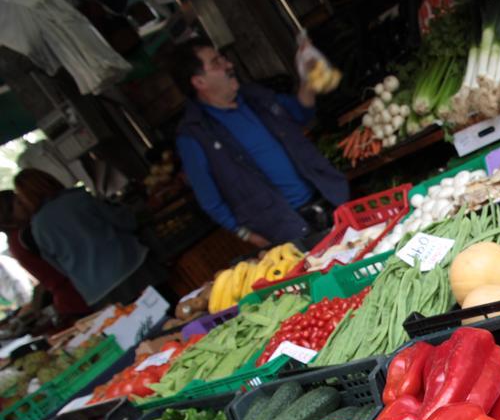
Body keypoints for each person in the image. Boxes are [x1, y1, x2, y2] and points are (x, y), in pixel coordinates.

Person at [170, 39, 350, 247]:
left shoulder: (255, 96)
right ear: (199, 82)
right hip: (288, 229)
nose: (229, 65)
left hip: (328, 197)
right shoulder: (195, 135)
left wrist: (309, 80)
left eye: (223, 58)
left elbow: (301, 112)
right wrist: (247, 235)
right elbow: (210, 201)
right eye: (216, 63)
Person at [13, 169, 160, 308]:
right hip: (132, 268)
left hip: (98, 292)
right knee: (174, 316)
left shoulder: (37, 228)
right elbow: (126, 222)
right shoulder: (78, 198)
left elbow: (59, 267)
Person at [0, 189, 90, 318]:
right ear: (8, 213)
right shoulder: (26, 235)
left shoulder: (14, 241)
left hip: (70, 298)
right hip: (76, 294)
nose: (25, 203)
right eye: (19, 202)